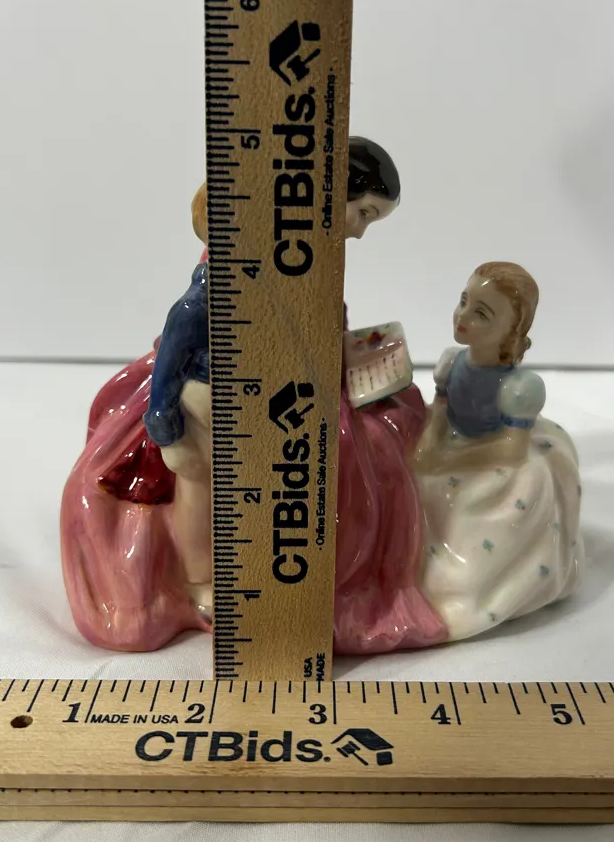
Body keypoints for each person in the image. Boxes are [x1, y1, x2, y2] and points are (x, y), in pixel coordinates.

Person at [61, 138, 447, 653]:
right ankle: (203, 582)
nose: (359, 229)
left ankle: (288, 567)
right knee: (205, 492)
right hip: (212, 403)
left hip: (281, 392)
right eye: (364, 213)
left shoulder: (304, 258)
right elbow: (179, 347)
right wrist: (165, 424)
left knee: (380, 427)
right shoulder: (216, 286)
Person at [413, 262, 584, 640]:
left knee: (475, 500)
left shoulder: (520, 387)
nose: (463, 316)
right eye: (463, 301)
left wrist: (448, 460)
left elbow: (510, 449)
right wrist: (428, 445)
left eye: (481, 313)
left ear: (511, 330)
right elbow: (440, 410)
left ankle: (461, 588)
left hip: (493, 455)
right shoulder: (451, 362)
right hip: (453, 440)